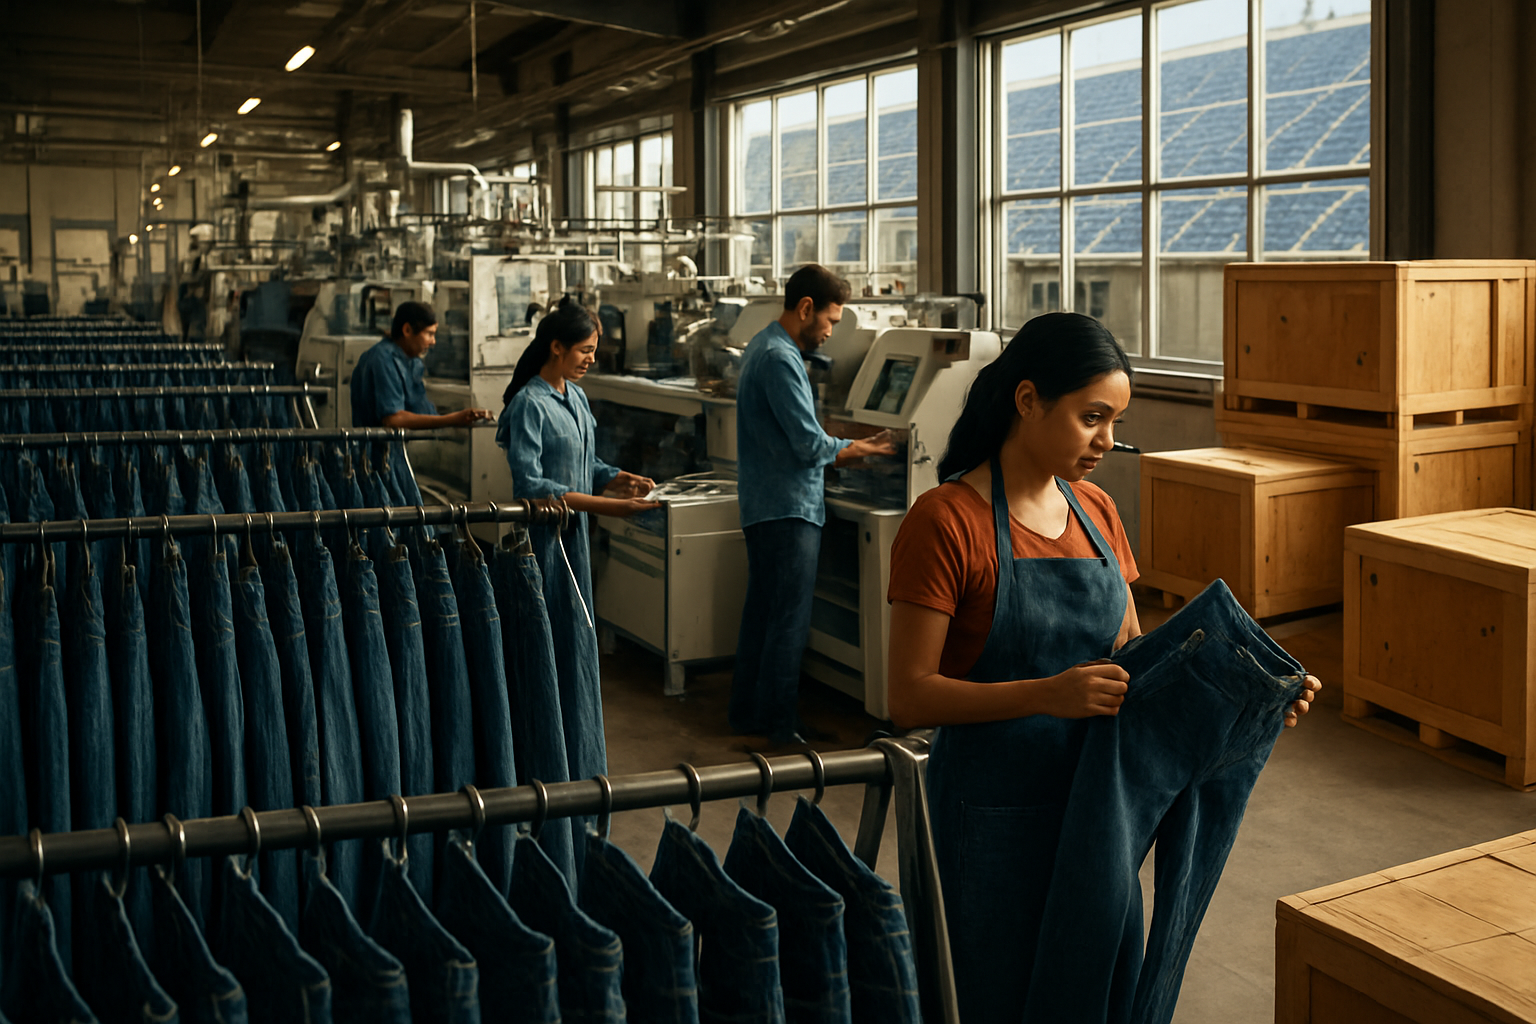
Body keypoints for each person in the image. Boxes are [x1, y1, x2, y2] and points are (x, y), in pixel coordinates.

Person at [884, 311, 1322, 1020]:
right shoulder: (945, 521)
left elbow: (1135, 668)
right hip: (987, 822)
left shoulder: (1098, 511)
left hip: (1100, 814)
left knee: (1095, 993)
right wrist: (1046, 694)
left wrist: (1250, 707)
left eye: (1114, 420)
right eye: (1092, 418)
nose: (1107, 442)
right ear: (1028, 401)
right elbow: (909, 696)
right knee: (989, 994)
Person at [496, 298, 658, 800]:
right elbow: (532, 483)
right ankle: (544, 763)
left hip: (576, 543)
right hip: (544, 547)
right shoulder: (529, 404)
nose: (592, 359)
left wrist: (617, 479)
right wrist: (605, 509)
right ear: (556, 347)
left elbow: (585, 464)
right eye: (585, 350)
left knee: (579, 644)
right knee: (550, 646)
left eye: (595, 350)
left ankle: (578, 759)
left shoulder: (576, 397)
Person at [731, 264, 898, 749]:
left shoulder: (765, 346)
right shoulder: (781, 359)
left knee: (762, 613)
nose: (829, 331)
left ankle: (747, 714)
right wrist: (869, 448)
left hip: (766, 502)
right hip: (787, 508)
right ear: (806, 308)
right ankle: (781, 729)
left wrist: (849, 446)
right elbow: (809, 445)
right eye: (830, 320)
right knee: (787, 620)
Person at [351, 300, 492, 428]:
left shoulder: (412, 362)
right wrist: (452, 419)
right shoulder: (382, 359)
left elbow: (420, 409)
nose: (433, 342)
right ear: (407, 330)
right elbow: (393, 419)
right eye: (429, 334)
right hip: (373, 452)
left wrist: (463, 417)